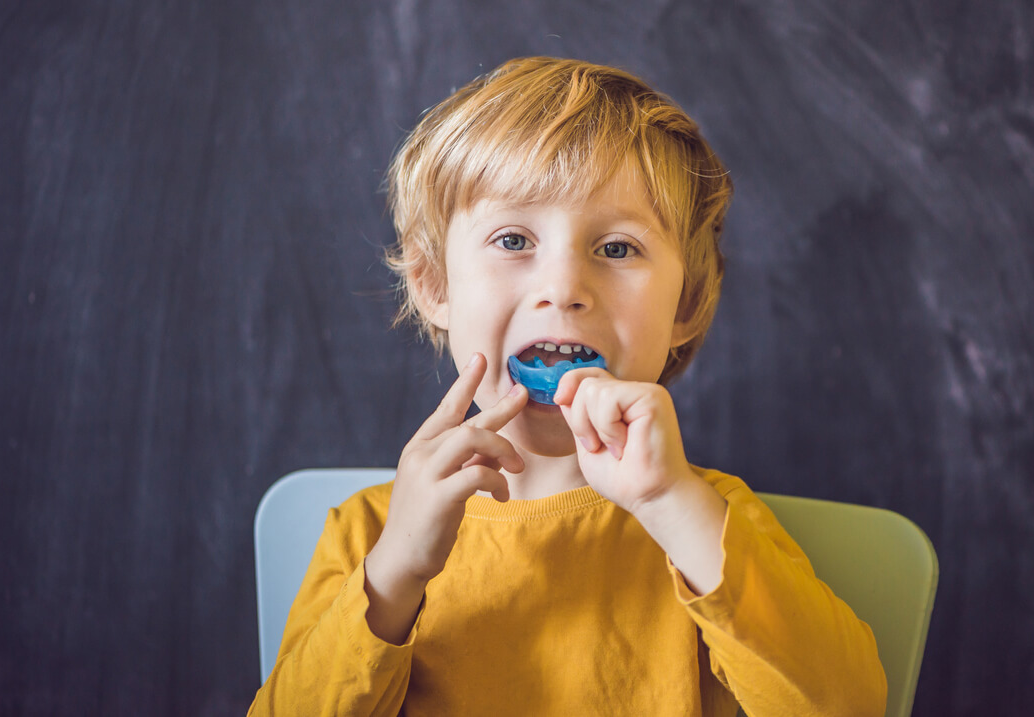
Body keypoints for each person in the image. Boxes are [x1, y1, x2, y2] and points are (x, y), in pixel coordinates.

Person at [248, 57, 887, 716]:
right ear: (435, 284)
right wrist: (395, 574)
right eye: (513, 238)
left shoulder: (709, 522)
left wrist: (670, 502)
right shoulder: (371, 534)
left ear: (687, 304)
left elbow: (850, 705)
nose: (563, 288)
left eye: (616, 249)